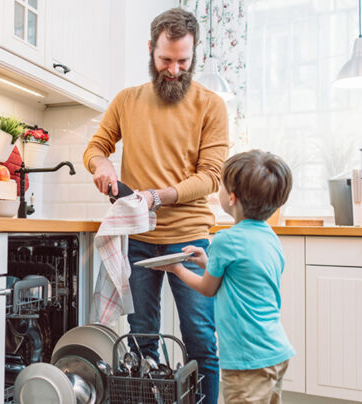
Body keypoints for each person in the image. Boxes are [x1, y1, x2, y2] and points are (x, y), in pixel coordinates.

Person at [82, 7, 229, 403]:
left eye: (184, 60)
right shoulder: (127, 100)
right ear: (150, 50)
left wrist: (155, 196)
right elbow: (96, 147)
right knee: (143, 338)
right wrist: (102, 164)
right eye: (166, 59)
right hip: (140, 237)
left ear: (194, 53)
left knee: (200, 340)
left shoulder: (211, 105)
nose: (175, 70)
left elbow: (211, 176)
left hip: (190, 240)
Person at [154, 149, 296, 404]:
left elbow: (207, 288)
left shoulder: (226, 239)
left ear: (231, 198)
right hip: (275, 350)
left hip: (247, 358)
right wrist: (208, 261)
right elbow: (243, 276)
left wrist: (177, 268)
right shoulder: (269, 235)